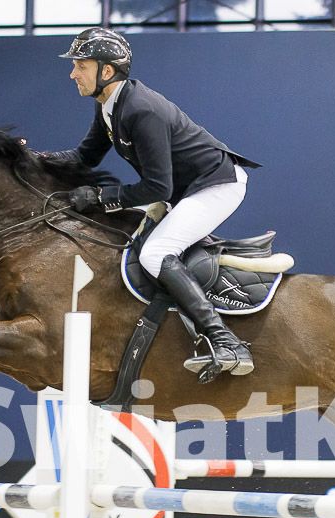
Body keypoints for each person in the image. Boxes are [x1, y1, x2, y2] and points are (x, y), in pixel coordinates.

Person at [49, 27, 260, 381]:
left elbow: (157, 187)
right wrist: (30, 159)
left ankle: (226, 341)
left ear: (106, 71)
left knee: (155, 253)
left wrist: (101, 197)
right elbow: (84, 157)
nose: (73, 74)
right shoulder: (109, 105)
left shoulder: (141, 109)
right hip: (187, 189)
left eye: (80, 66)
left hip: (217, 185)